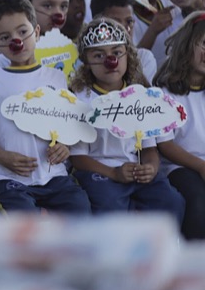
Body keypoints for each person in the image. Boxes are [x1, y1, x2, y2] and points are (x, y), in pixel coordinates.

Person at [0, 0, 91, 213]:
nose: (16, 41)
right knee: (23, 220)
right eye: (5, 37)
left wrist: (65, 146)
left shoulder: (56, 77)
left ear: (36, 32)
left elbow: (68, 123)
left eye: (22, 32)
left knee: (80, 209)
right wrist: (1, 157)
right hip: (7, 177)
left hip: (53, 176)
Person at [69, 18, 183, 220]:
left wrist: (150, 168)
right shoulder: (80, 99)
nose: (110, 61)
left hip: (135, 171)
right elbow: (78, 158)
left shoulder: (140, 96)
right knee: (109, 206)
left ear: (127, 55)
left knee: (172, 202)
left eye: (116, 52)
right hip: (99, 172)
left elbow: (149, 149)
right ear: (86, 62)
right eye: (99, 55)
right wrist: (113, 173)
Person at [155, 12, 205, 239]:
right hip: (180, 167)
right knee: (198, 202)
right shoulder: (164, 94)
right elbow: (166, 145)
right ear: (186, 46)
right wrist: (201, 166)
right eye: (204, 45)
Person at [90, 0, 157, 81]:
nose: (124, 29)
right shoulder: (86, 59)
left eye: (129, 21)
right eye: (115, 23)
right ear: (97, 24)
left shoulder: (144, 58)